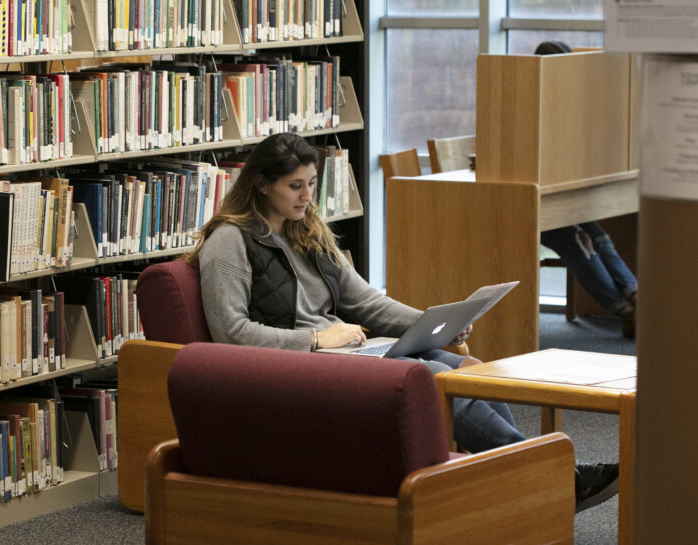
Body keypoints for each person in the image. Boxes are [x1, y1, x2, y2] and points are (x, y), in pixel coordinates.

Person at [187, 132, 618, 512]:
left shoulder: (307, 230)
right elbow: (232, 332)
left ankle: (518, 480)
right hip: (298, 365)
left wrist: (430, 322)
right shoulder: (230, 240)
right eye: (295, 186)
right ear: (262, 185)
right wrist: (317, 339)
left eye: (312, 185)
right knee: (429, 376)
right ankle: (548, 475)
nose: (307, 197)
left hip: (345, 351)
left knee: (465, 369)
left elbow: (365, 301)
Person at [535, 40, 639, 338]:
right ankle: (623, 308)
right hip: (529, 203)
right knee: (575, 238)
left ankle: (634, 295)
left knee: (597, 235)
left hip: (559, 194)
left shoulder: (568, 106)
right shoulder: (532, 104)